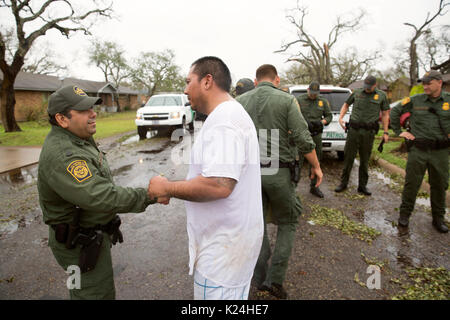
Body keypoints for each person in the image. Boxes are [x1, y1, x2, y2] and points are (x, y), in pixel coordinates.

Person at [148, 56, 264, 300]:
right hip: (230, 247)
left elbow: (219, 185)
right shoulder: (227, 115)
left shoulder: (224, 121)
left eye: (189, 81)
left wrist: (167, 188)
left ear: (207, 81)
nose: (185, 88)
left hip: (222, 255)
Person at [37, 85, 161, 300]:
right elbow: (101, 196)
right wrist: (150, 195)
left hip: (88, 238)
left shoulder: (77, 138)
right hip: (77, 245)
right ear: (62, 119)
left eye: (92, 108)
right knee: (93, 295)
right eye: (84, 110)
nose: (93, 114)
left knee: (88, 292)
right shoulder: (64, 155)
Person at [237, 64, 323, 299]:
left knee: (257, 223)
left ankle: (259, 273)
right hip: (278, 173)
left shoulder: (240, 102)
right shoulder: (286, 100)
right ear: (276, 79)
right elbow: (303, 139)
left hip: (250, 175)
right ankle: (274, 281)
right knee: (288, 221)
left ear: (255, 81)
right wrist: (315, 166)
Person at [390, 70, 449, 233]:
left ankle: (438, 218)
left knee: (440, 185)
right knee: (412, 183)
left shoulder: (448, 101)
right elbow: (395, 111)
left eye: (428, 83)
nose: (425, 86)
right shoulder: (416, 100)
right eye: (423, 83)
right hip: (419, 150)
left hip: (441, 151)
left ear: (439, 82)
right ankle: (404, 215)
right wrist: (398, 131)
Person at [335, 75, 390, 195]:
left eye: (369, 87)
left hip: (368, 133)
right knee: (348, 157)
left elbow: (385, 114)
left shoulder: (381, 95)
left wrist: (385, 132)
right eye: (365, 86)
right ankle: (343, 183)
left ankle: (362, 186)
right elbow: (346, 105)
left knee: (364, 160)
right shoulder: (357, 92)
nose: (367, 88)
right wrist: (340, 117)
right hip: (353, 131)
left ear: (375, 85)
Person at [296, 81, 332, 198]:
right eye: (311, 93)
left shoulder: (322, 101)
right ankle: (293, 187)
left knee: (316, 161)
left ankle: (314, 187)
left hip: (316, 135)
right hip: (302, 134)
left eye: (315, 94)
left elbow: (329, 116)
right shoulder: (299, 100)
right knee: (297, 161)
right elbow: (294, 114)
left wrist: (321, 122)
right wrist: (303, 122)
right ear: (308, 90)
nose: (313, 95)